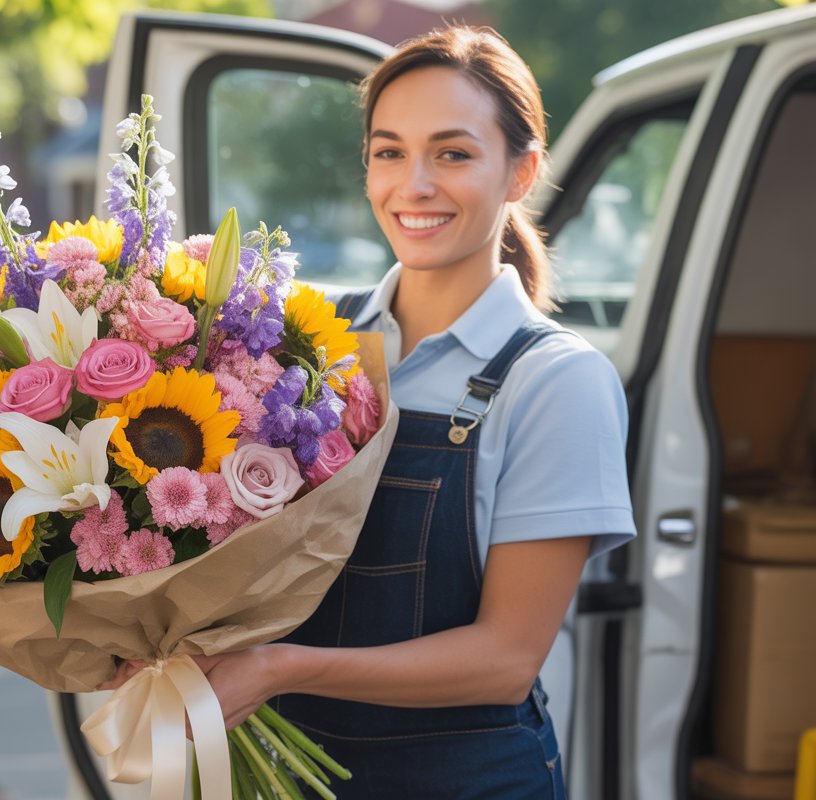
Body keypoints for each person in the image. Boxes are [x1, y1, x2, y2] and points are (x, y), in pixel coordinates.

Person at [106, 24, 637, 798]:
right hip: (294, 772)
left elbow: (505, 660)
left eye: (453, 154)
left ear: (521, 173)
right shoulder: (304, 342)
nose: (413, 185)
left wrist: (282, 669)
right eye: (389, 152)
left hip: (468, 782)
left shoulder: (555, 380)